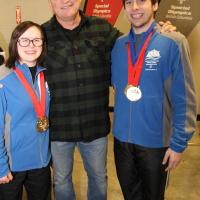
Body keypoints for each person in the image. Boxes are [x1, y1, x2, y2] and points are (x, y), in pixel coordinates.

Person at [42, 0, 176, 199]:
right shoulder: (41, 35)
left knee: (98, 177)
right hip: (59, 128)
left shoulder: (102, 29)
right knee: (61, 180)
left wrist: (158, 29)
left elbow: (135, 44)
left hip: (95, 127)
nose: (65, 1)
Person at [111, 0, 197, 200]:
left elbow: (185, 97)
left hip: (155, 143)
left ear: (155, 5)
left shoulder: (173, 42)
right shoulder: (118, 45)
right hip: (122, 142)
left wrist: (177, 144)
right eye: (129, 2)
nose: (135, 8)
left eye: (142, 1)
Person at [0, 21, 51, 200]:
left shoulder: (44, 75)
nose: (31, 45)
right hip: (12, 165)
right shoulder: (3, 77)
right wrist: (1, 166)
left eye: (36, 40)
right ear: (15, 43)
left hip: (40, 162)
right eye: (25, 40)